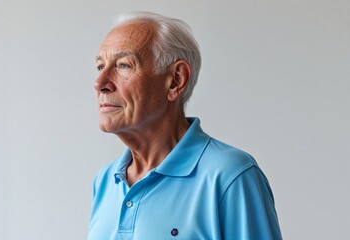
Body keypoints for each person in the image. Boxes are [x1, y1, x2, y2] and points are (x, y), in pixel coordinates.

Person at [88, 11, 282, 240]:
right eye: (101, 66)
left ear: (176, 80)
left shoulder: (230, 175)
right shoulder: (105, 181)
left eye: (123, 65)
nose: (100, 83)